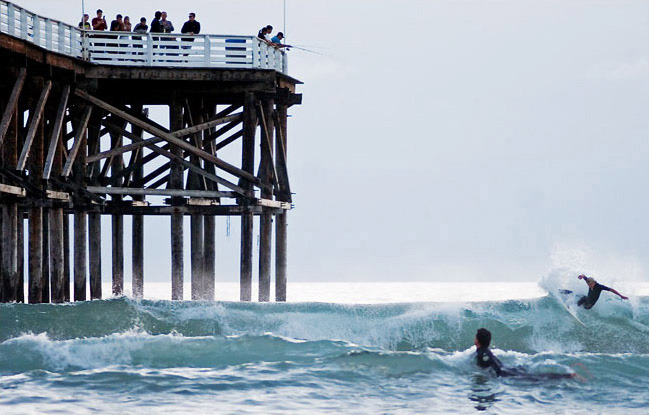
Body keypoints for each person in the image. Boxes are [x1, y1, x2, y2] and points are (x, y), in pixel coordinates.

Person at [474, 328, 574, 379]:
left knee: (538, 379)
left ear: (477, 340)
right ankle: (566, 376)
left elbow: (490, 368)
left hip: (507, 374)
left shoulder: (482, 353)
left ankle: (567, 376)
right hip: (509, 369)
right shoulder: (485, 351)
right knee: (536, 377)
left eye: (475, 337)